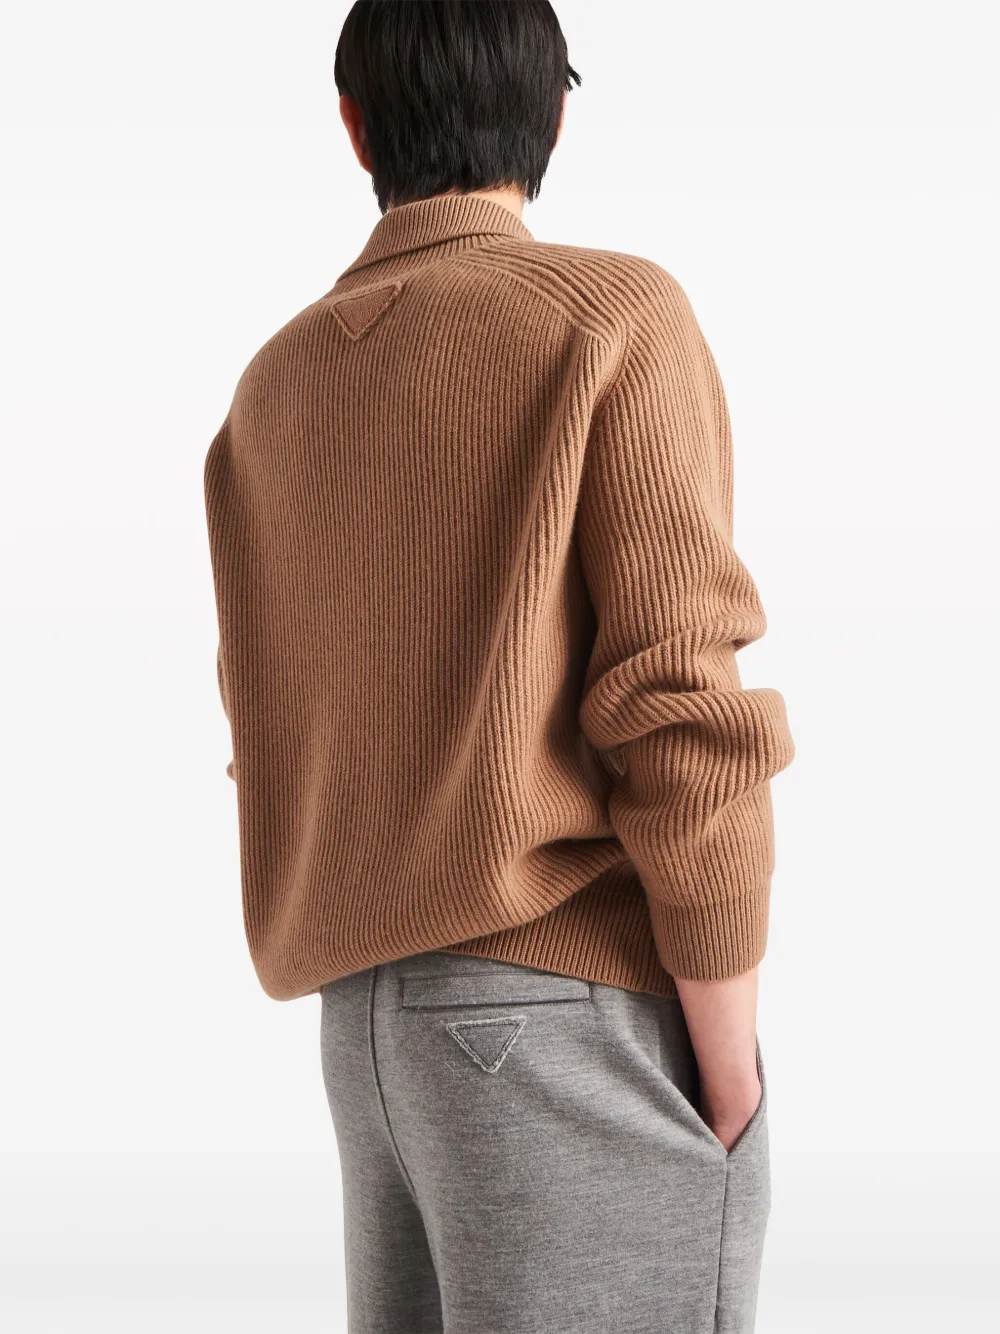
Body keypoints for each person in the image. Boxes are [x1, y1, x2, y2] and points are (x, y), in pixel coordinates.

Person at [203, 3, 794, 1330]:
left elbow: (269, 727)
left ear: (355, 127)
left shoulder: (274, 387)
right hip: (569, 1015)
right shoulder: (610, 315)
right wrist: (730, 1063)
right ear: (556, 117)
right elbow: (681, 709)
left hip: (371, 1038)